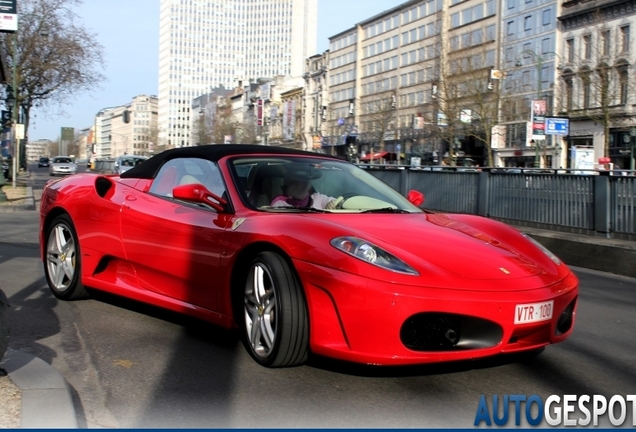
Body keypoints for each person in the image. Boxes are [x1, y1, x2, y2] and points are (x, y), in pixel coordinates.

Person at [271, 163, 338, 209]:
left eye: (305, 182)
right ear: (289, 186)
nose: (302, 185)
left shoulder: (316, 198)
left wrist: (331, 204)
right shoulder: (280, 203)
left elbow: (336, 202)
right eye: (296, 183)